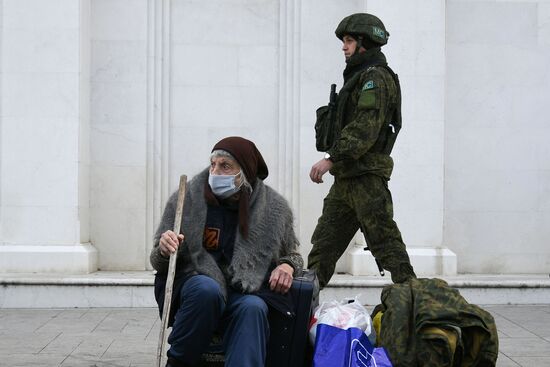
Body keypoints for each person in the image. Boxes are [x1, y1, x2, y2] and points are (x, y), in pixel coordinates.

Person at [150, 136, 303, 367]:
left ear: (246, 172)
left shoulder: (274, 209)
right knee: (207, 289)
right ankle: (179, 362)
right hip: (195, 287)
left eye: (225, 166)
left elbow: (293, 255)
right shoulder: (187, 198)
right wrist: (164, 250)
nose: (215, 171)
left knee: (253, 307)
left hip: (242, 292)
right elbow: (157, 262)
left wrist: (287, 265)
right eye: (213, 164)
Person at [308, 13, 416, 288]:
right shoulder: (357, 78)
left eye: (348, 41)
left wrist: (330, 158)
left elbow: (365, 129)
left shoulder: (375, 79)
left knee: (389, 249)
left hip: (366, 180)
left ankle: (418, 312)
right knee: (322, 249)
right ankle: (299, 316)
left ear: (364, 43)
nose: (344, 47)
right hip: (346, 180)